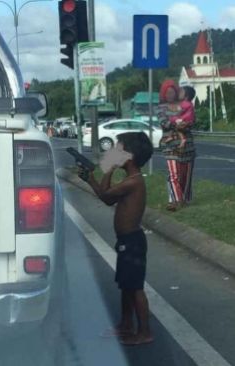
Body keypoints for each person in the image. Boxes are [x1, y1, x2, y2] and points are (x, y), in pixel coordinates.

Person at [77, 132, 154, 346]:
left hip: (132, 241)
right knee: (125, 285)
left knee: (135, 287)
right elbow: (108, 199)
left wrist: (108, 169)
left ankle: (144, 331)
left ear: (128, 157)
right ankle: (126, 324)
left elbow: (106, 196)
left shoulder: (134, 182)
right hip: (126, 241)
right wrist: (91, 179)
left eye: (118, 150)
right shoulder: (130, 180)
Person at [157, 80, 196, 212]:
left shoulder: (185, 105)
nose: (170, 94)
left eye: (172, 92)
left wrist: (185, 124)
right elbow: (164, 122)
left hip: (187, 146)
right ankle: (176, 200)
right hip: (170, 146)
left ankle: (184, 199)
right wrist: (176, 125)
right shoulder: (161, 108)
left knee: (186, 175)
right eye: (167, 92)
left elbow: (191, 121)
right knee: (173, 174)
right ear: (163, 94)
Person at [160, 85, 196, 151]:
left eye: (181, 92)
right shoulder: (189, 103)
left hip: (184, 119)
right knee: (176, 127)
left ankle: (175, 137)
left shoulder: (185, 103)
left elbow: (179, 110)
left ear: (186, 96)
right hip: (185, 119)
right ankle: (176, 137)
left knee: (173, 122)